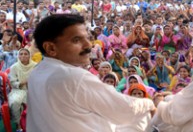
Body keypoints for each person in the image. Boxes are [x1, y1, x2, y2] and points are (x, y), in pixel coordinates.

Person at [27, 14, 156, 131]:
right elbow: (125, 109)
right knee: (142, 115)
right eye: (76, 40)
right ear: (51, 48)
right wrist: (150, 103)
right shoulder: (73, 77)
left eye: (87, 38)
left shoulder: (37, 72)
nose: (88, 45)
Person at [8, 48, 36, 131]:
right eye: (21, 54)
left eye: (25, 54)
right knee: (14, 102)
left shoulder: (36, 66)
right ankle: (18, 124)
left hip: (34, 89)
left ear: (29, 55)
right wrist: (22, 83)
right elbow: (12, 82)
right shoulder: (14, 67)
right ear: (18, 56)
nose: (23, 55)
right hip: (19, 90)